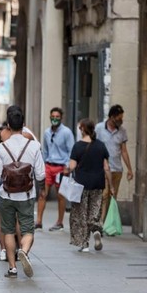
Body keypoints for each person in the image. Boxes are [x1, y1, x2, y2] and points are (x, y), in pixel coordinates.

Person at [0, 106, 45, 278]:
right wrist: (43, 190)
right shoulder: (34, 146)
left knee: (8, 231)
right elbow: (41, 174)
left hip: (6, 195)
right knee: (28, 231)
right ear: (23, 124)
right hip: (27, 195)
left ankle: (12, 268)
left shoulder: (1, 148)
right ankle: (24, 251)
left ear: (8, 125)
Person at [67, 119, 113, 252]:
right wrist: (111, 185)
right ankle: (96, 229)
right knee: (95, 210)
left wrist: (66, 169)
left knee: (80, 213)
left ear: (82, 129)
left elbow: (72, 166)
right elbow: (106, 167)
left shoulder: (77, 146)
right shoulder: (100, 145)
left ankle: (84, 243)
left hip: (81, 184)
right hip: (98, 183)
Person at [36, 107, 74, 231]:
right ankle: (39, 221)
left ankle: (59, 222)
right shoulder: (47, 132)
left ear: (61, 118)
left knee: (60, 196)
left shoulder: (66, 132)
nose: (55, 119)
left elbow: (71, 151)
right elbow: (45, 150)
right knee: (42, 194)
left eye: (57, 117)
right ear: (50, 117)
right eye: (53, 116)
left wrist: (68, 167)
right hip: (48, 166)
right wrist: (42, 165)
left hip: (61, 168)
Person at [95, 104, 133, 222]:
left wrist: (129, 169)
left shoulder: (122, 131)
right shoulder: (99, 128)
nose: (121, 121)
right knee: (104, 195)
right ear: (112, 117)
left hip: (117, 169)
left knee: (112, 197)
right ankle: (101, 222)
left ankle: (107, 223)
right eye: (119, 118)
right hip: (103, 168)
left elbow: (124, 151)